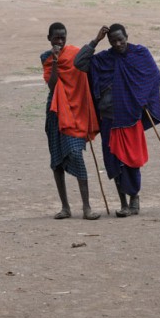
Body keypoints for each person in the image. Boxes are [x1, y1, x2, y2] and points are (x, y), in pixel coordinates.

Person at [74, 24, 160, 217]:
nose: (118, 43)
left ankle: (134, 200)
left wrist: (143, 99)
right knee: (114, 162)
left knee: (131, 162)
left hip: (131, 118)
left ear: (127, 36)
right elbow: (79, 63)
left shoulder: (140, 54)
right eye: (113, 41)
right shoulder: (104, 59)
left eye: (121, 39)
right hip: (109, 119)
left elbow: (153, 76)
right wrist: (96, 40)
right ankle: (123, 204)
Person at [42, 22, 101, 220]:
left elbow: (86, 57)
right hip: (55, 112)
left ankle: (86, 207)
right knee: (56, 161)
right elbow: (52, 85)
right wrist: (56, 61)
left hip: (75, 111)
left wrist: (97, 39)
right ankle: (65, 207)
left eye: (63, 37)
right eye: (56, 37)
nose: (60, 41)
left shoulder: (75, 53)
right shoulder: (47, 58)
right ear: (49, 38)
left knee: (76, 153)